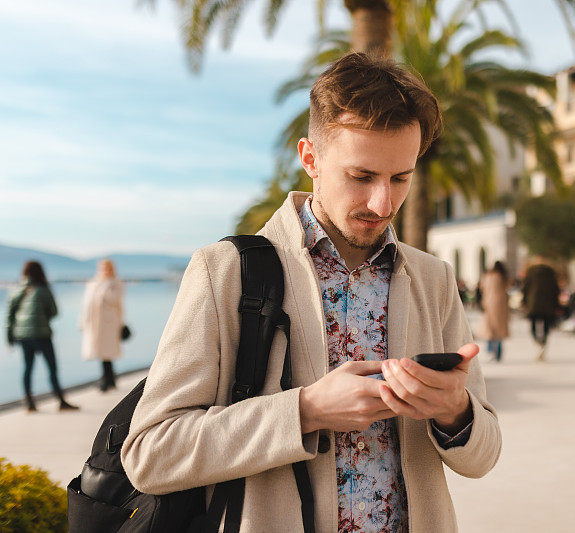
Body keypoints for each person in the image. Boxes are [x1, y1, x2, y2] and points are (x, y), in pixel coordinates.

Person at [121, 53, 501, 532]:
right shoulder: (223, 272)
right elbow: (150, 453)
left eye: (400, 178)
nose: (383, 202)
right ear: (310, 159)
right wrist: (305, 411)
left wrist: (454, 410)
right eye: (361, 176)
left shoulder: (434, 280)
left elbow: (484, 455)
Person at [5, 261, 78, 412]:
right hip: (41, 334)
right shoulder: (43, 290)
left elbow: (10, 315)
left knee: (27, 368)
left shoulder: (17, 289)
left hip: (22, 335)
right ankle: (60, 400)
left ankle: (29, 403)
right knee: (51, 368)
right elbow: (54, 312)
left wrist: (9, 337)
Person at [80, 259, 125, 391]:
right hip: (95, 323)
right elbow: (86, 305)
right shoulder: (93, 283)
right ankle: (107, 378)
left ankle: (108, 379)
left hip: (109, 323)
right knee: (100, 352)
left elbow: (113, 299)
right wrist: (83, 322)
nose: (104, 271)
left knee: (107, 352)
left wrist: (104, 287)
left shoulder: (115, 283)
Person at [521, 258, 559, 361]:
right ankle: (543, 342)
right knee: (546, 326)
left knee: (533, 326)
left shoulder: (530, 272)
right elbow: (555, 290)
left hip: (533, 303)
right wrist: (556, 304)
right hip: (547, 304)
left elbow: (525, 288)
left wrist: (524, 302)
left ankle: (539, 343)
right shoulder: (551, 273)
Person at [479, 261, 510, 362]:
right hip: (501, 304)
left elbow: (482, 288)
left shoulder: (488, 276)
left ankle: (490, 350)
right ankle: (498, 353)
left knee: (489, 329)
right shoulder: (503, 277)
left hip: (488, 303)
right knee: (499, 330)